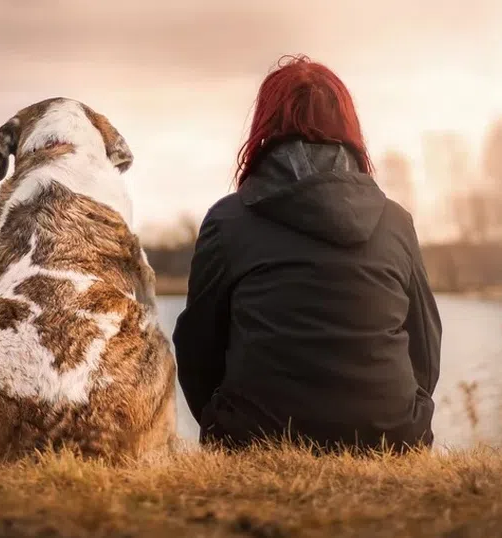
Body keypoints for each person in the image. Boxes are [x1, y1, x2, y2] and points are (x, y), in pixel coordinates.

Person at [172, 55, 442, 454]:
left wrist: (222, 419)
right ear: (349, 128)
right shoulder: (396, 222)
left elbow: (197, 348)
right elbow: (426, 346)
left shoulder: (228, 221)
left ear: (264, 127)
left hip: (254, 439)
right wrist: (402, 415)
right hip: (392, 438)